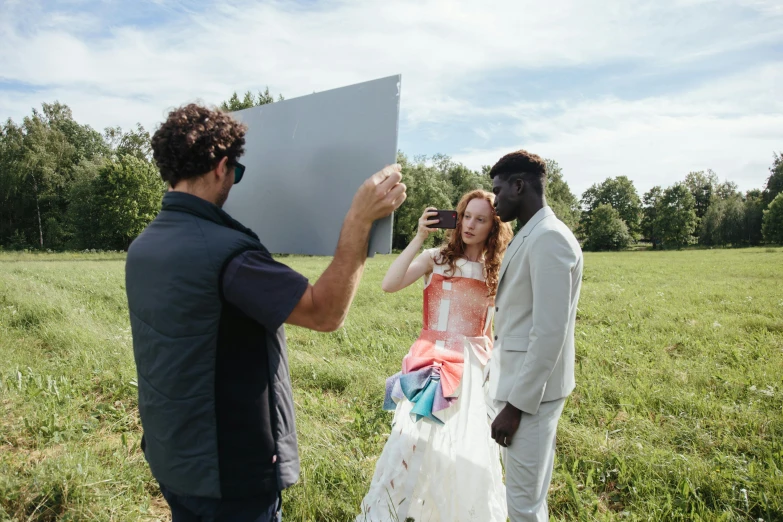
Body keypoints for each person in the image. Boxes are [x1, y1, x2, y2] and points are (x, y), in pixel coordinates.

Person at [124, 103, 406, 522]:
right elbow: (325, 313)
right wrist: (358, 220)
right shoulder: (226, 255)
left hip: (173, 455)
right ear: (222, 167)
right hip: (229, 473)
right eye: (236, 173)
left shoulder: (143, 245)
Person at [356, 190, 513, 522]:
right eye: (467, 216)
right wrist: (418, 237)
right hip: (432, 359)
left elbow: (489, 328)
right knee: (416, 439)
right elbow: (389, 283)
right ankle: (402, 511)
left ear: (493, 227)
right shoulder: (437, 258)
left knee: (464, 441)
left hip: (472, 365)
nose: (470, 224)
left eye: (480, 219)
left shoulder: (496, 270)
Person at [486, 150, 583, 521]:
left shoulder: (549, 239)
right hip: (519, 386)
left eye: (498, 191)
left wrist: (515, 406)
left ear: (519, 185)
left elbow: (548, 333)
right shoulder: (532, 233)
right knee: (527, 498)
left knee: (523, 506)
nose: (495, 202)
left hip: (531, 400)